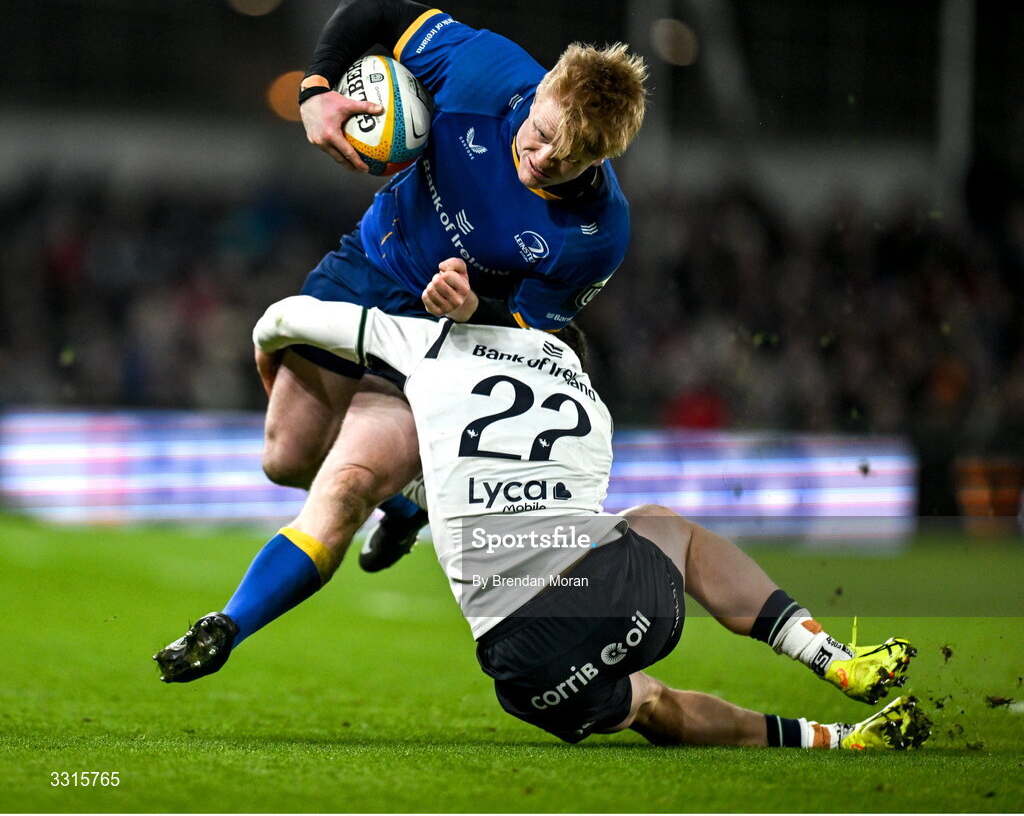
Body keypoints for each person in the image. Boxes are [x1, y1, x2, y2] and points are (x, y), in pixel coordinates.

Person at [155, 293, 931, 751]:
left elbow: (287, 315)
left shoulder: (432, 347)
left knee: (648, 701)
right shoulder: (589, 406)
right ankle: (828, 658)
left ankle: (831, 738)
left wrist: (270, 364)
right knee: (667, 527)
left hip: (519, 667)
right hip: (611, 599)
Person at [226, 0, 648, 652]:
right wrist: (315, 91)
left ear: (600, 159)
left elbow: (543, 339)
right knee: (285, 459)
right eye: (540, 135)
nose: (540, 160)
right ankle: (407, 503)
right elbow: (371, 9)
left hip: (453, 337)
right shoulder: (483, 67)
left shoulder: (596, 234)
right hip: (369, 265)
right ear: (539, 95)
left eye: (565, 161)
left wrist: (476, 308)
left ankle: (235, 618)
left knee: (348, 484)